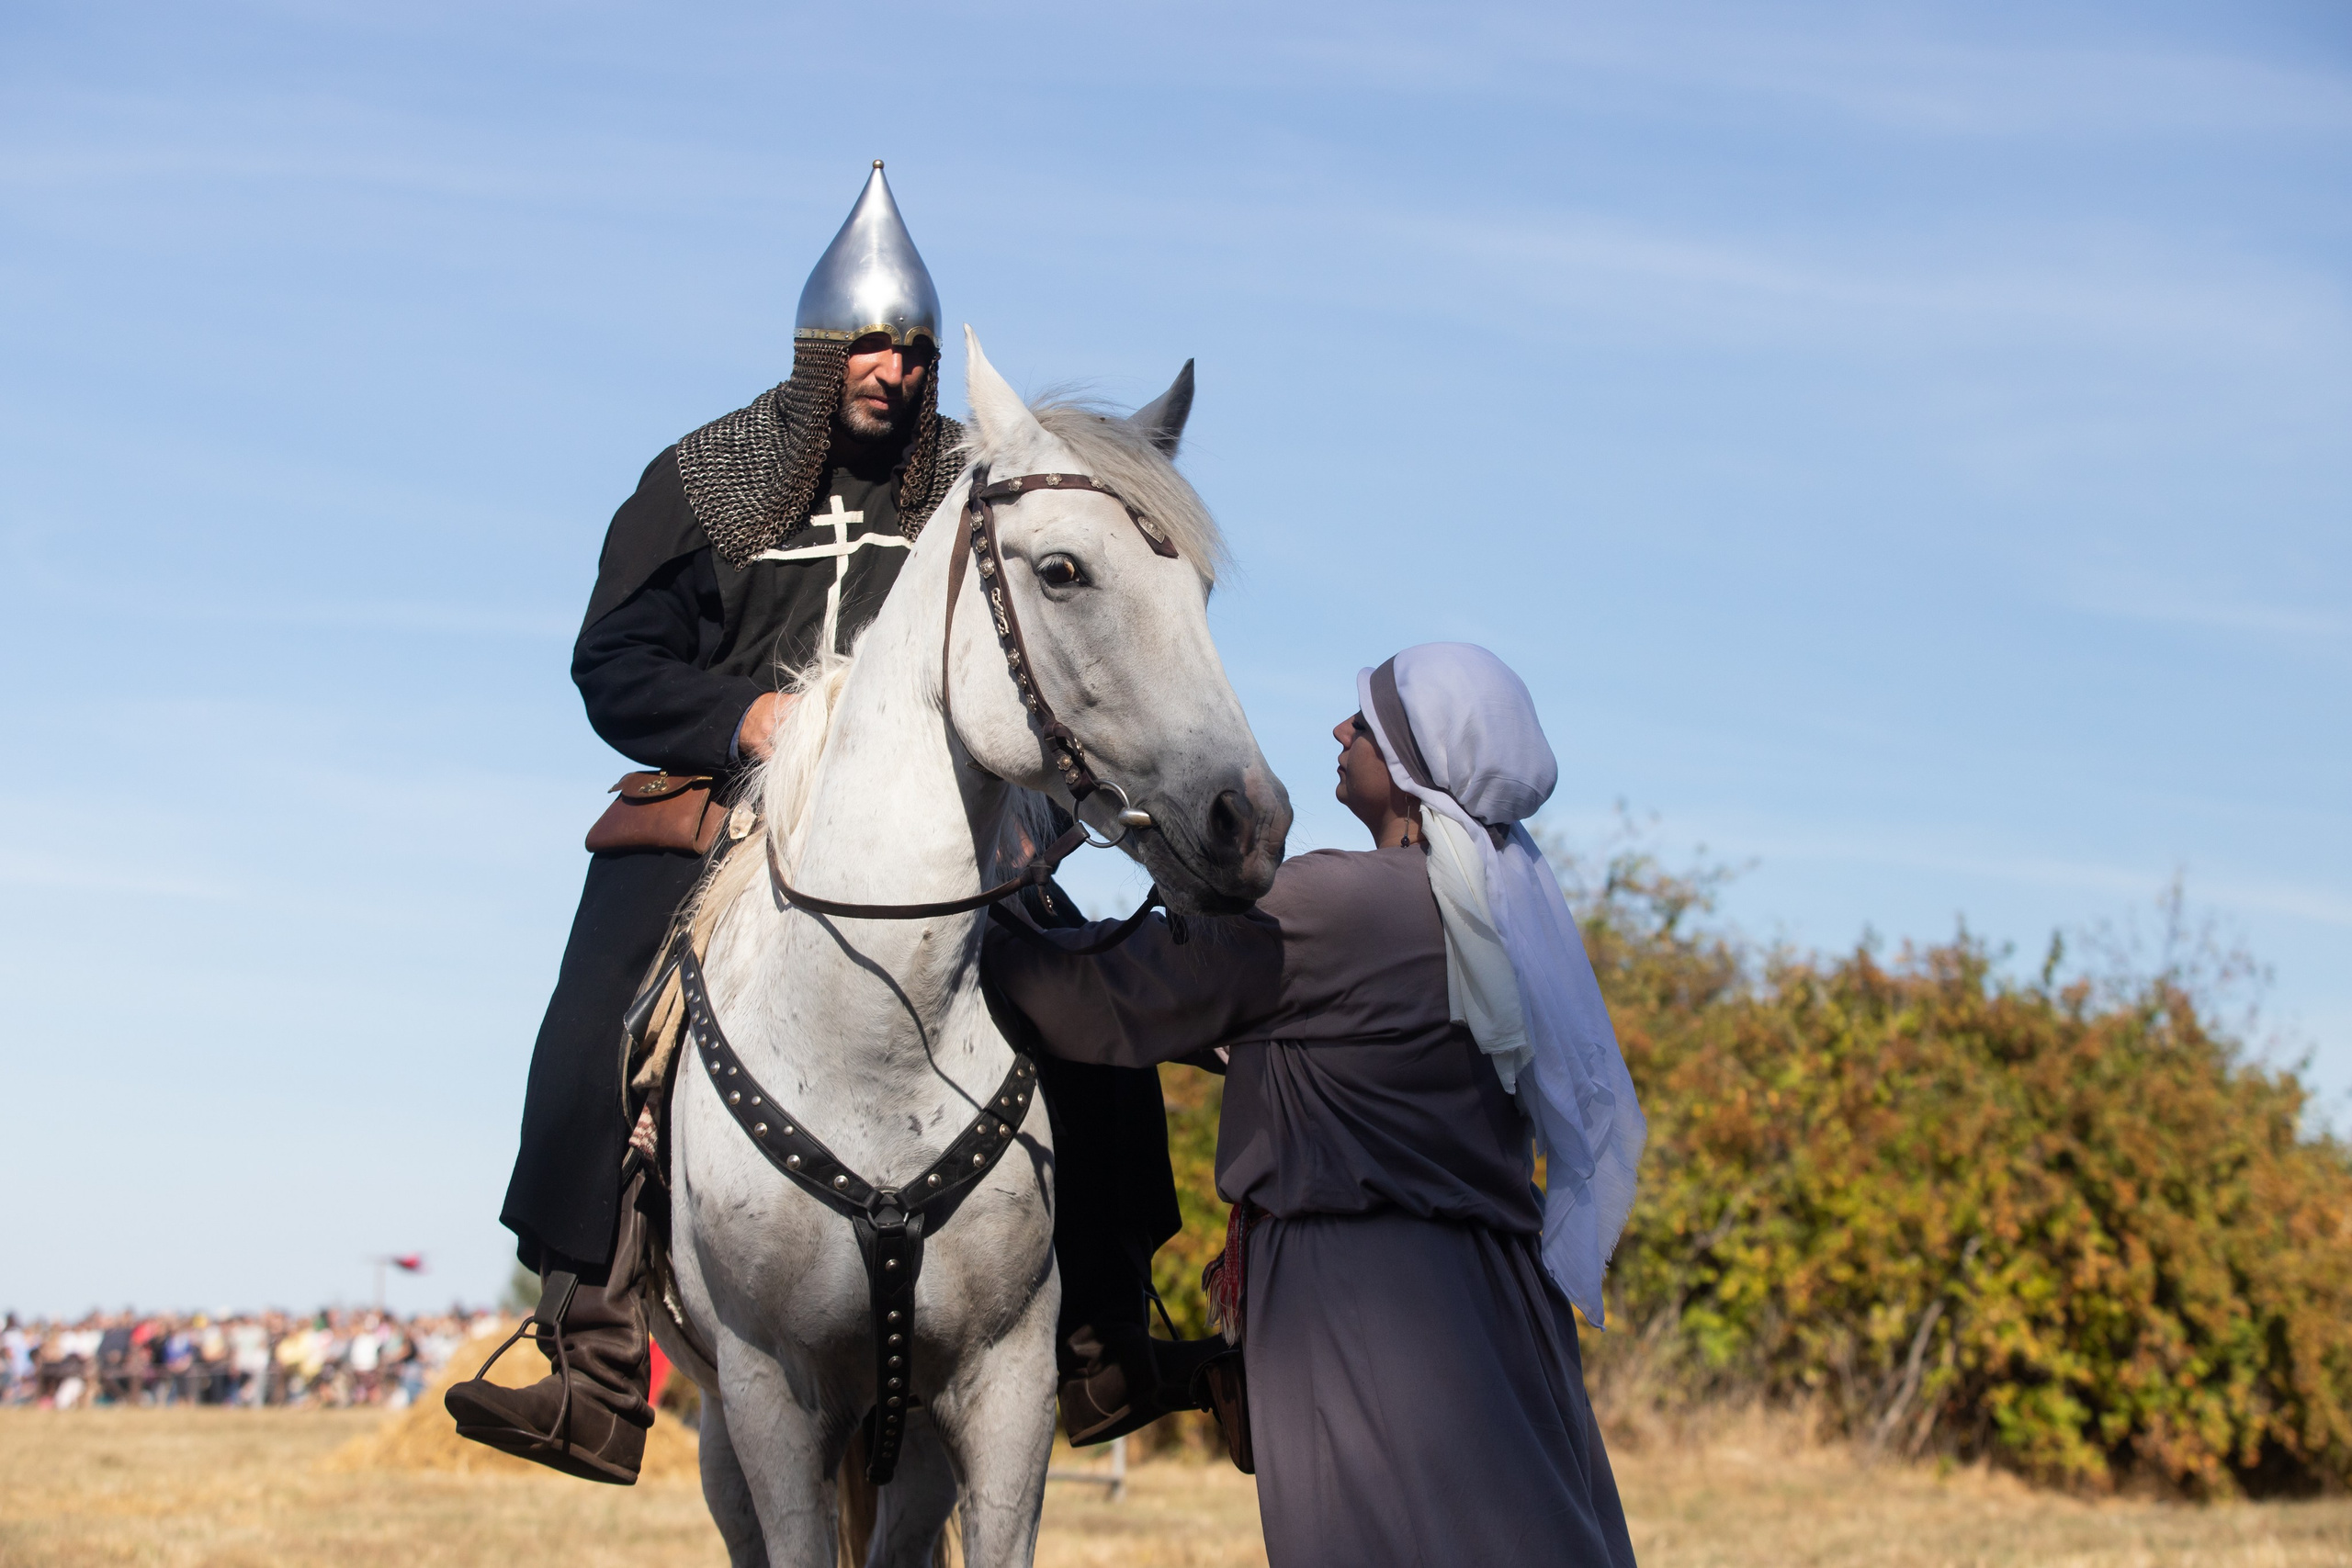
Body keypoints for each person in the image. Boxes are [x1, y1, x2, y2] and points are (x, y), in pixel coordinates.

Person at [449, 161, 1200, 1483]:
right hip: (739, 818)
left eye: (912, 351)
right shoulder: (708, 477)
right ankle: (594, 1352)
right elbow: (612, 661)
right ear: (816, 349)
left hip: (952, 832)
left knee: (1083, 1000)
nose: (892, 372)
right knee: (601, 1008)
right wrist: (741, 717)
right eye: (867, 345)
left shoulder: (975, 481)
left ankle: (1103, 1325)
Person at [985, 643, 1646, 1568]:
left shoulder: (1335, 902)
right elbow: (1323, 1038)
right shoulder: (1498, 913)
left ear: (1412, 765)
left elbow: (1103, 996)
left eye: (1366, 724)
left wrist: (991, 907)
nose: (1341, 731)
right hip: (1497, 1295)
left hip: (1363, 1300)